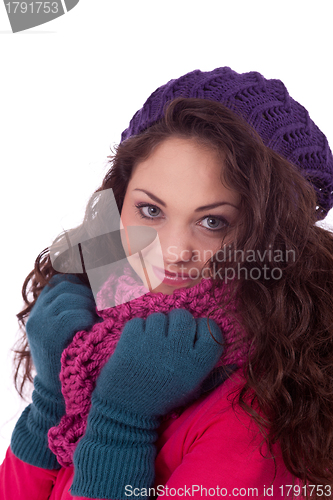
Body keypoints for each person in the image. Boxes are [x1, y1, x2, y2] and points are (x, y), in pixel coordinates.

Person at [1, 66, 333, 500]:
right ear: (119, 200)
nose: (174, 251)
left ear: (271, 235)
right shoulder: (94, 342)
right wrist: (50, 403)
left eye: (213, 222)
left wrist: (121, 425)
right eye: (151, 211)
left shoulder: (260, 414)